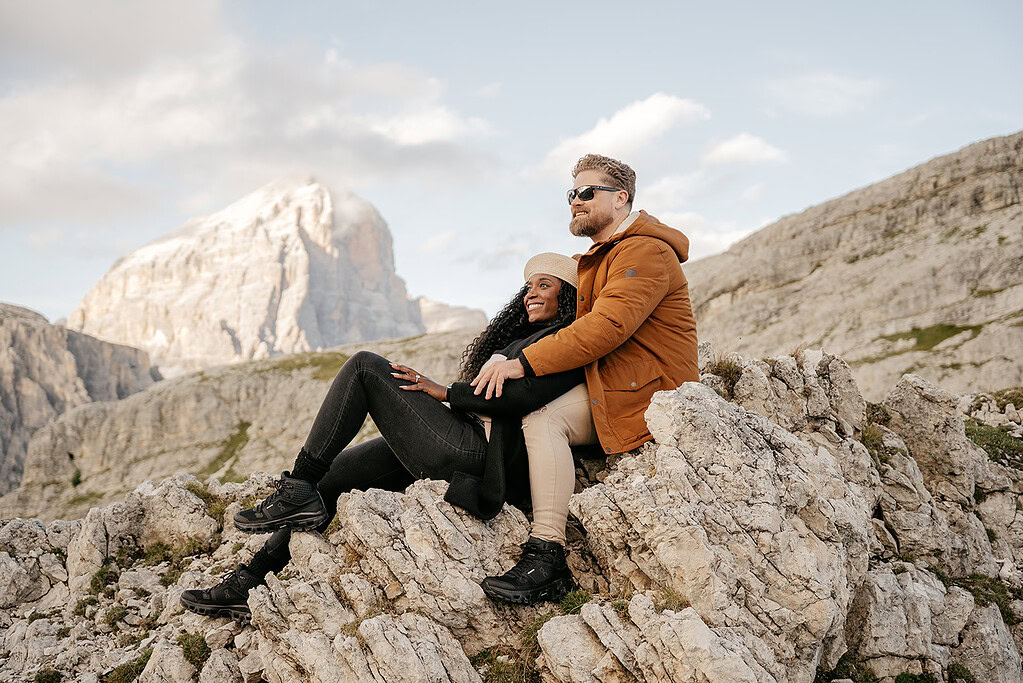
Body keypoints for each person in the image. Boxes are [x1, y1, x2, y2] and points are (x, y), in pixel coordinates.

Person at [180, 253, 583, 622]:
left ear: (566, 296)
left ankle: (297, 481)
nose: (531, 293)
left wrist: (444, 392)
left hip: (479, 456)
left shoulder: (569, 341)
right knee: (331, 479)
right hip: (461, 437)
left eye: (544, 285)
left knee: (365, 368)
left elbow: (527, 396)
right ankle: (247, 581)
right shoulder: (518, 342)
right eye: (528, 287)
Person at [476, 154, 700, 605]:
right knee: (533, 414)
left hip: (652, 396)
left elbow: (606, 328)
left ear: (621, 200)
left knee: (543, 420)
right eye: (571, 193)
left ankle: (546, 554)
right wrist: (505, 352)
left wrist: (521, 363)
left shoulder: (645, 251)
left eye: (586, 192)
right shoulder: (601, 257)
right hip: (615, 386)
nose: (575, 201)